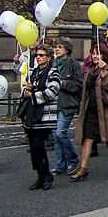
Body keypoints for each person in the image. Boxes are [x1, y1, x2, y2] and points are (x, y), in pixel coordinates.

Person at [71, 43, 108, 181]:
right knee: (87, 139)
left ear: (104, 55)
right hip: (91, 109)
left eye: (98, 53)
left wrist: (104, 71)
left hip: (105, 110)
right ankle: (83, 168)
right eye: (93, 53)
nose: (95, 56)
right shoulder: (89, 70)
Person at [20, 44, 60, 190]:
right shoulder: (33, 72)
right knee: (33, 147)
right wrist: (26, 90)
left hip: (44, 116)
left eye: (41, 55)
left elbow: (52, 91)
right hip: (32, 114)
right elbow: (24, 87)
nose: (38, 57)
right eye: (37, 55)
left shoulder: (53, 72)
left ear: (48, 58)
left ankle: (47, 174)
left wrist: (33, 95)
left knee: (38, 145)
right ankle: (40, 175)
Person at [51, 37, 82, 176]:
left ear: (67, 50)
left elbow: (78, 84)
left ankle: (73, 159)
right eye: (55, 47)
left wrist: (62, 83)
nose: (57, 49)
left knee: (60, 133)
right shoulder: (51, 64)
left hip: (67, 104)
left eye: (60, 47)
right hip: (53, 104)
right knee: (55, 136)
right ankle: (60, 164)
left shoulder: (73, 64)